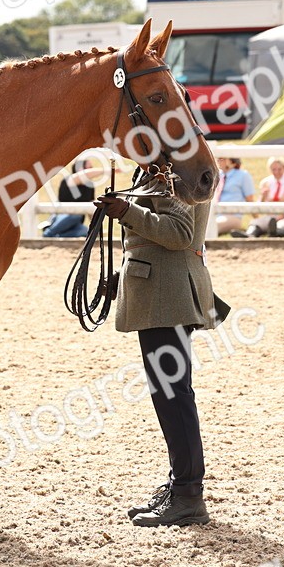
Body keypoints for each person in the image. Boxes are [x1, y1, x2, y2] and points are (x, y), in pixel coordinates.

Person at [94, 176, 226, 528]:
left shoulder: (174, 172)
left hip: (169, 296)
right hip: (161, 293)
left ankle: (187, 495)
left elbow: (180, 233)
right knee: (170, 394)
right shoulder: (161, 168)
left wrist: (126, 211)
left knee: (173, 395)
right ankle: (181, 486)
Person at [234, 156, 284, 238]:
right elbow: (259, 206)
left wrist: (282, 215)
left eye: (279, 169)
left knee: (282, 224)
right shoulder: (266, 182)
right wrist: (263, 197)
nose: (276, 172)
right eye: (274, 169)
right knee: (257, 223)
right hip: (271, 216)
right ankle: (250, 234)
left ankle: (275, 232)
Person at [42, 159, 106, 238]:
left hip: (76, 224)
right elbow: (84, 175)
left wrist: (96, 230)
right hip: (60, 218)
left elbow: (91, 209)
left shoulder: (90, 186)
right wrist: (106, 170)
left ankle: (54, 236)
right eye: (90, 168)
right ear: (80, 169)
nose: (92, 170)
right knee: (76, 215)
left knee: (85, 231)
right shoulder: (69, 180)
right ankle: (48, 233)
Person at [214, 157, 255, 234]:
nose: (218, 160)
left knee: (213, 225)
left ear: (233, 162)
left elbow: (250, 199)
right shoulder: (217, 175)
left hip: (233, 216)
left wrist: (257, 219)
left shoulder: (243, 175)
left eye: (222, 158)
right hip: (214, 214)